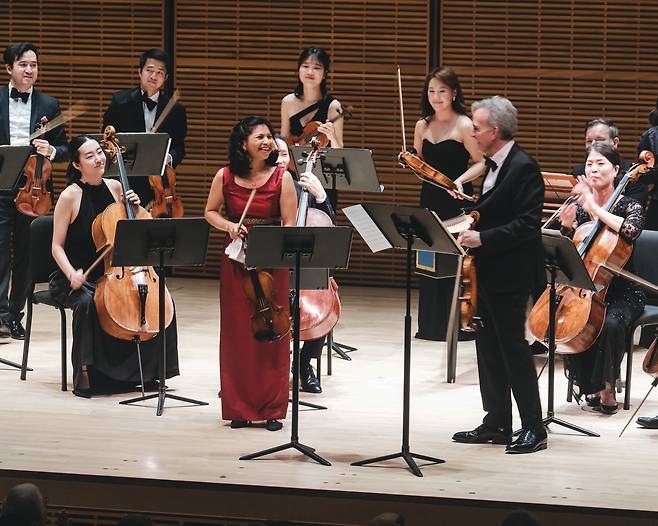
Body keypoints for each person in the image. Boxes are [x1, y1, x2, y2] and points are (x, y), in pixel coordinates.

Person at [452, 96, 546, 454]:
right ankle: (497, 422)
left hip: (511, 272)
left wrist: (483, 236)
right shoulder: (491, 165)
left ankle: (534, 428)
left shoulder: (524, 167)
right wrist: (470, 214)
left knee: (513, 350)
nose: (472, 132)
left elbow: (527, 224)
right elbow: (495, 210)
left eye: (476, 127)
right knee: (487, 347)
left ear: (494, 130)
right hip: (487, 270)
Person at [51, 135, 179, 397]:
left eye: (99, 152)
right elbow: (56, 246)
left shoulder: (116, 187)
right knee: (87, 303)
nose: (99, 159)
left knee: (160, 300)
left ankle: (153, 372)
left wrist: (136, 206)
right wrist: (71, 274)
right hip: (76, 274)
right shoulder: (70, 196)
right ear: (76, 165)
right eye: (90, 156)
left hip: (113, 273)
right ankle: (86, 372)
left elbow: (134, 232)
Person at [205, 117, 297, 431]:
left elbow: (289, 224)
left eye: (269, 136)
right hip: (236, 263)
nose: (267, 142)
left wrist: (272, 247)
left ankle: (272, 408)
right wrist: (229, 226)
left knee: (274, 334)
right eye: (259, 137)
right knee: (237, 336)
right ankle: (239, 407)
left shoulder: (282, 178)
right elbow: (210, 212)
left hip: (271, 263)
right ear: (243, 144)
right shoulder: (225, 176)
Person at [559, 141, 645, 414]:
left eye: (600, 164)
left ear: (616, 169)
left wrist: (596, 209)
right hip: (587, 287)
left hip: (624, 290)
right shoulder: (580, 207)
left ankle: (607, 387)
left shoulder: (630, 204)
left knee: (610, 325)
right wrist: (566, 225)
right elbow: (571, 251)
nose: (593, 169)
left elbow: (631, 231)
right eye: (589, 164)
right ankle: (588, 385)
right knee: (569, 322)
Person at [0, 42, 68, 340]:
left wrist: (52, 149)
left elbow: (66, 148)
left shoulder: (49, 105)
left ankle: (15, 316)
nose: (30, 70)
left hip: (34, 191)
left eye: (34, 65)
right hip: (1, 185)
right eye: (23, 64)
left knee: (26, 255)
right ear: (8, 68)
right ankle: (0, 315)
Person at [412, 66, 485, 341]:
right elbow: (421, 165)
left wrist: (459, 181)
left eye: (442, 91)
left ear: (454, 93)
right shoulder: (422, 125)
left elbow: (481, 162)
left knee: (456, 264)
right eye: (431, 91)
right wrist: (410, 160)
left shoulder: (464, 124)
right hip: (429, 199)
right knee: (429, 261)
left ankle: (458, 325)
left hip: (457, 202)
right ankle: (431, 326)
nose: (436, 96)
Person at [275, 135, 335, 393]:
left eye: (284, 155)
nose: (279, 160)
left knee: (322, 308)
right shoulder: (260, 188)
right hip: (271, 267)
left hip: (304, 268)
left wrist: (321, 197)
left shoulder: (303, 188)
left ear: (291, 159)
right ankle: (264, 366)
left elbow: (328, 225)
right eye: (274, 154)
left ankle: (304, 362)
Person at [103, 48, 187, 206]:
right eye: (149, 70)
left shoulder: (175, 110)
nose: (154, 76)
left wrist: (169, 158)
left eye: (160, 72)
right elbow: (107, 139)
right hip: (125, 180)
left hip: (159, 184)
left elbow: (179, 148)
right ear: (140, 72)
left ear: (166, 78)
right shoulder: (120, 102)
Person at [572, 118, 647, 207]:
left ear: (615, 143)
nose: (593, 145)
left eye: (599, 140)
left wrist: (593, 194)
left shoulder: (634, 175)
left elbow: (634, 214)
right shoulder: (580, 172)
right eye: (589, 141)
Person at [280, 47, 343, 149]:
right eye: (305, 66)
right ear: (299, 70)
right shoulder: (287, 101)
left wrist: (332, 137)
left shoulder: (333, 106)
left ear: (324, 74)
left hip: (322, 163)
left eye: (317, 68)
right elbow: (284, 140)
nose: (310, 71)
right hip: (293, 163)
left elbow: (340, 149)